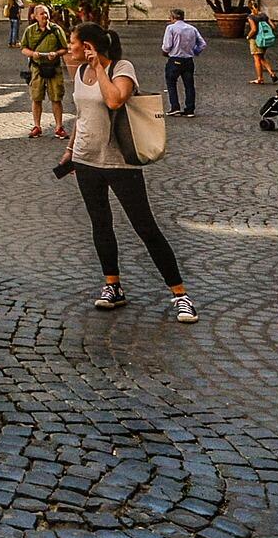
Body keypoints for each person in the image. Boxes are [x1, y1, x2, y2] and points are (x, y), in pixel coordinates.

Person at [58, 23, 198, 323]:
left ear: (88, 46)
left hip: (120, 161)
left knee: (145, 227)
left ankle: (181, 295)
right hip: (86, 160)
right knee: (101, 224)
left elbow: (114, 100)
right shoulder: (79, 72)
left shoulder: (123, 68)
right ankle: (113, 285)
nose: (69, 47)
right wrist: (70, 150)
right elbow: (82, 114)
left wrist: (100, 69)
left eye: (73, 43)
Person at [21, 5, 69, 139]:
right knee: (36, 98)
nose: (45, 16)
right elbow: (23, 48)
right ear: (35, 16)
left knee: (56, 98)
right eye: (42, 14)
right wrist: (33, 53)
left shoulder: (56, 30)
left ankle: (59, 127)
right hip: (37, 68)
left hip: (54, 68)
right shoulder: (30, 31)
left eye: (46, 13)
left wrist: (56, 53)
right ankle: (37, 126)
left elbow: (65, 49)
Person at [160, 7, 207, 119]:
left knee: (171, 83)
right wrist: (194, 51)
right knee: (189, 85)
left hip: (175, 58)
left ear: (173, 17)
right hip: (188, 60)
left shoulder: (170, 28)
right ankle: (190, 109)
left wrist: (165, 52)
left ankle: (175, 107)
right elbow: (202, 44)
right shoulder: (192, 28)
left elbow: (167, 45)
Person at [247, 0, 276, 85]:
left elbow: (254, 29)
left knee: (257, 59)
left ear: (249, 7)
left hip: (256, 39)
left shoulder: (251, 17)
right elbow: (273, 26)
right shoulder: (263, 15)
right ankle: (272, 73)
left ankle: (260, 78)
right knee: (262, 57)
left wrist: (248, 36)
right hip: (265, 39)